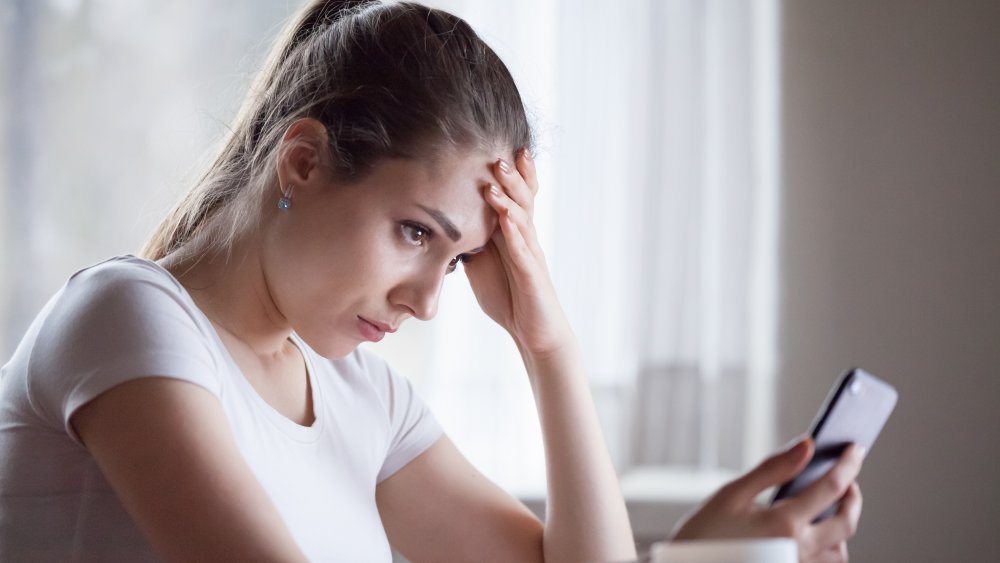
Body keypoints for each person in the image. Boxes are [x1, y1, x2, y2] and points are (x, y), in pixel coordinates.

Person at [0, 1, 864, 561]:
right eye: (416, 231)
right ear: (301, 161)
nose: (426, 300)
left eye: (455, 259)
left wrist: (544, 339)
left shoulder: (358, 395)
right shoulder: (131, 317)